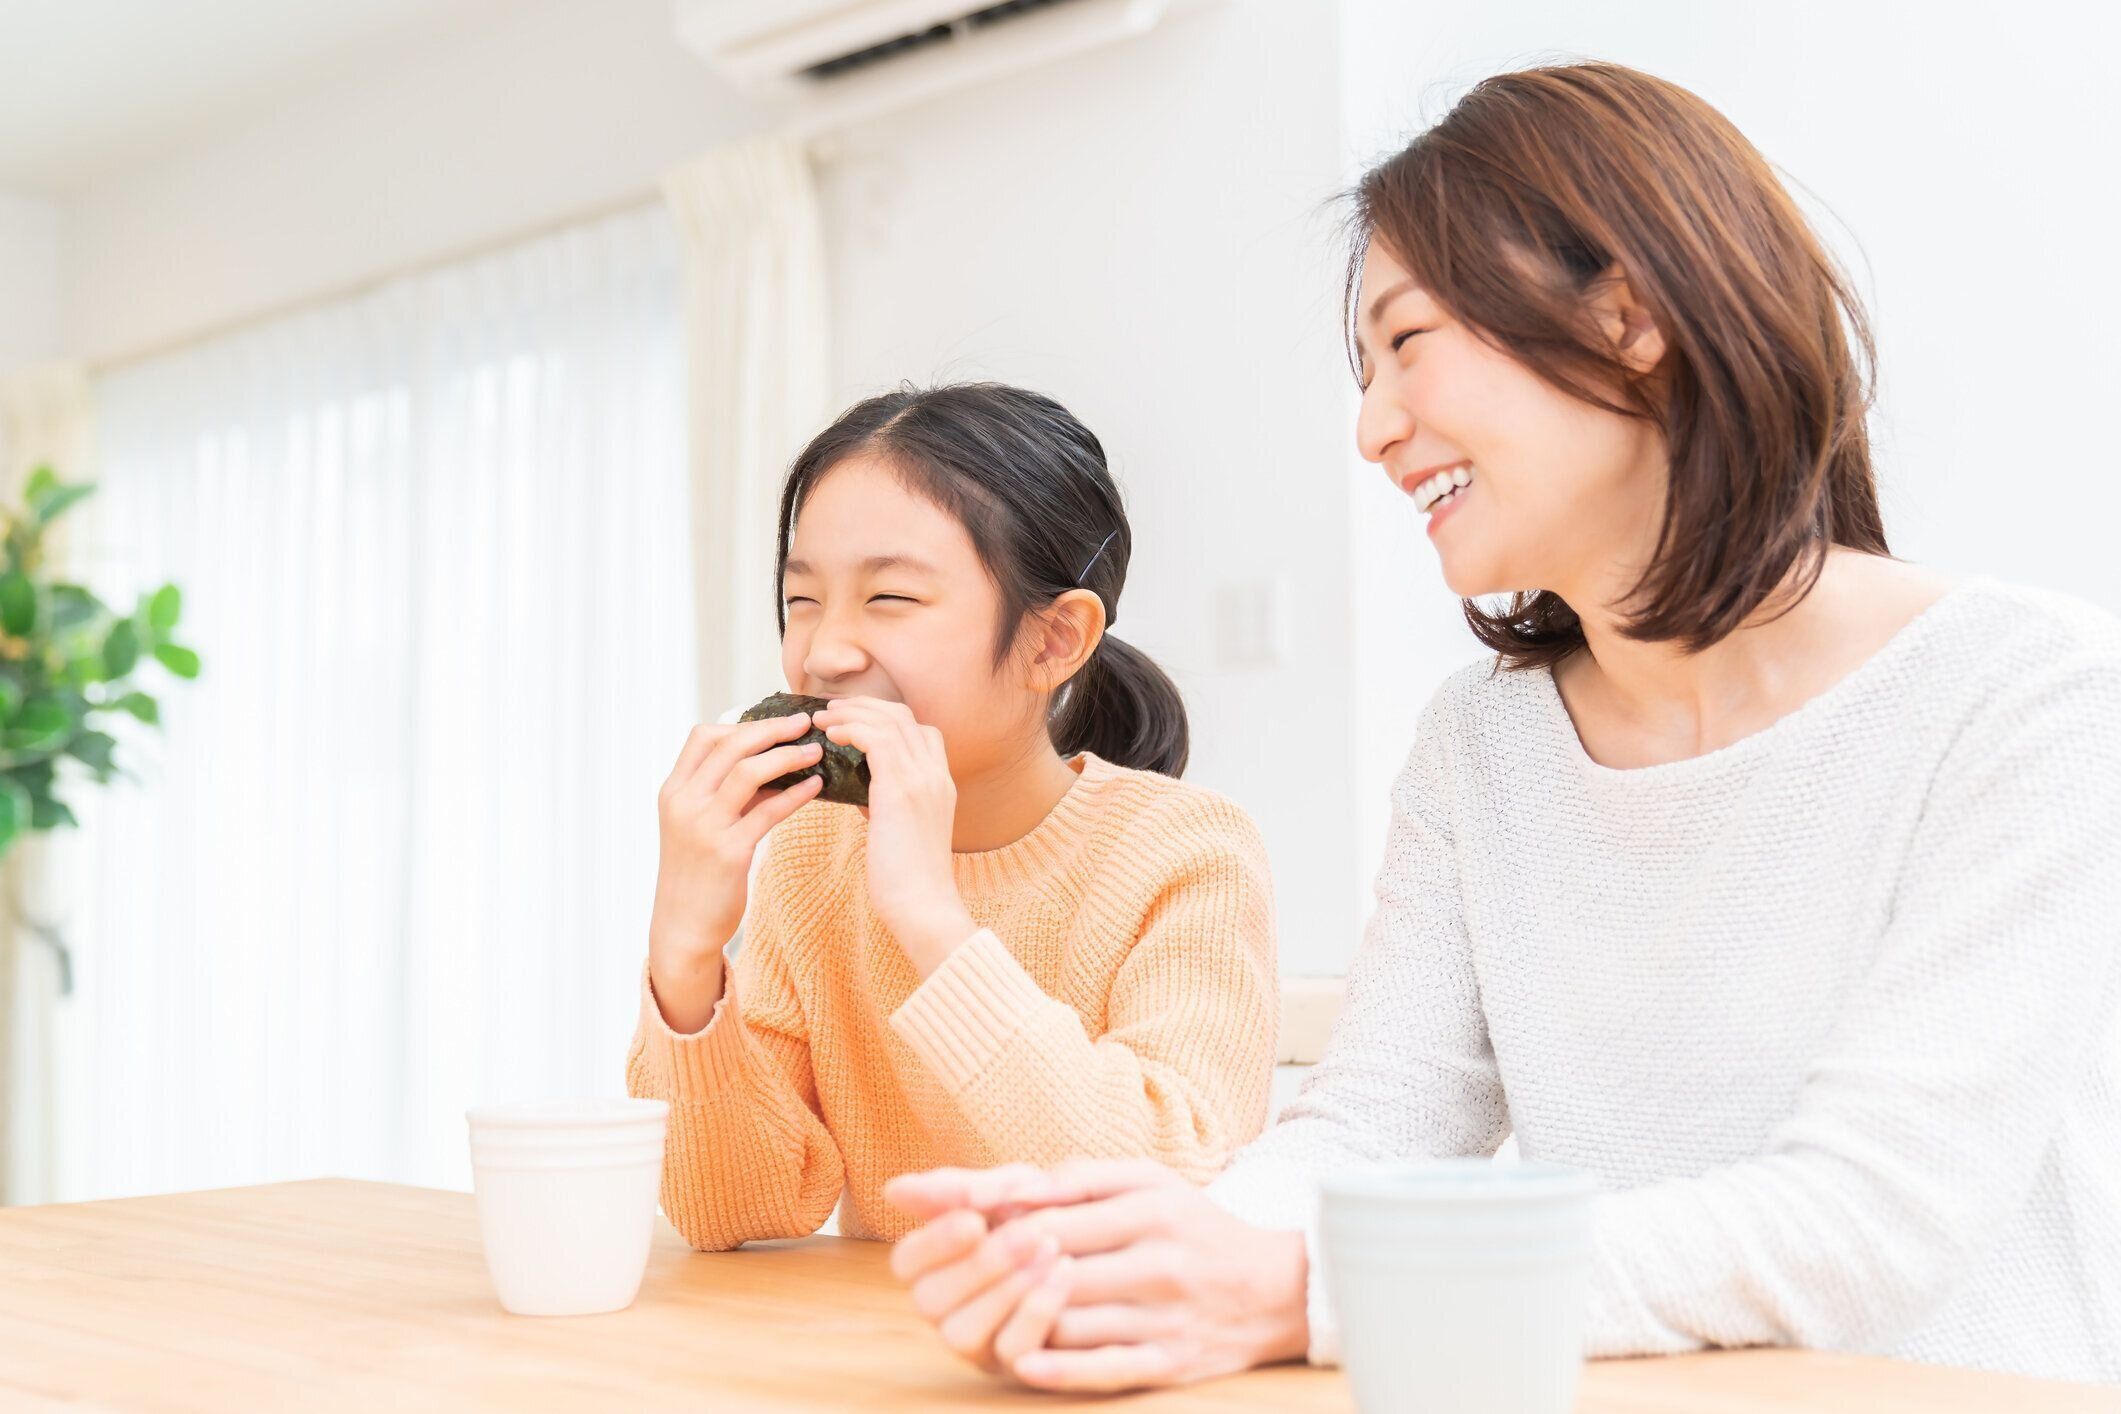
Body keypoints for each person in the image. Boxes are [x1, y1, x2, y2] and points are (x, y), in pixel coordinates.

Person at [883, 63, 2121, 1390]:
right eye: (1363, 372)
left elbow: (1871, 1217)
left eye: (1408, 343)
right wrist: (1137, 1248)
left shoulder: (2024, 689)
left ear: (1631, 314)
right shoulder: (1481, 746)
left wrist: (1310, 1288)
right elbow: (1373, 1124)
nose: (1371, 429)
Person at [627, 382, 1279, 1252]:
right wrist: (685, 955)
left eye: (889, 599)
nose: (823, 652)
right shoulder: (814, 853)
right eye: (802, 600)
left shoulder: (1188, 852)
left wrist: (930, 917)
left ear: (1052, 640)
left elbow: (1166, 1185)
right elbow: (732, 1208)